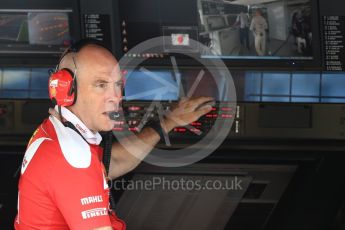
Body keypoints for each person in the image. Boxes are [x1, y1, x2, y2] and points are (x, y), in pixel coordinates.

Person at [14, 39, 214, 230]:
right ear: (67, 91)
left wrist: (168, 122)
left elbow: (114, 161)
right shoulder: (72, 156)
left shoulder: (56, 131)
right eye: (101, 85)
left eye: (118, 85)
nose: (116, 97)